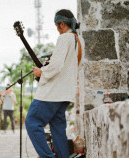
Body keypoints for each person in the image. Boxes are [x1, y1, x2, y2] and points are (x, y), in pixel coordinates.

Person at [25, 9, 85, 158]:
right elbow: (76, 65)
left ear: (62, 24)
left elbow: (56, 65)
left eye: (57, 27)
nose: (57, 30)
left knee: (32, 122)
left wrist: (41, 72)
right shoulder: (79, 40)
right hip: (66, 93)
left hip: (53, 93)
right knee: (57, 128)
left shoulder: (64, 38)